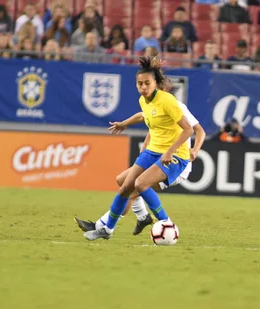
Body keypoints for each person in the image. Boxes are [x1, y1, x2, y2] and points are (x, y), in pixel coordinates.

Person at [76, 57, 194, 241]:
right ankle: (107, 230)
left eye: (147, 83)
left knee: (140, 184)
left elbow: (189, 129)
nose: (143, 87)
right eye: (140, 84)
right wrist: (124, 124)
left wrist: (170, 151)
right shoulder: (143, 100)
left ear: (156, 83)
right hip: (152, 151)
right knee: (124, 186)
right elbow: (143, 115)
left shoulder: (168, 101)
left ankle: (166, 223)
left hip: (175, 155)